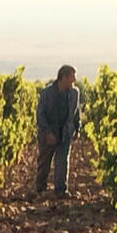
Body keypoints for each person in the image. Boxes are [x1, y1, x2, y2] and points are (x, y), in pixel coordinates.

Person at [34, 65, 81, 198]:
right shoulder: (47, 93)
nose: (74, 80)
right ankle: (40, 188)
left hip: (65, 132)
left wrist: (77, 128)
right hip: (48, 132)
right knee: (44, 161)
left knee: (62, 162)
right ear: (63, 77)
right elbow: (40, 114)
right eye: (72, 77)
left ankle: (61, 190)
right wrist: (47, 132)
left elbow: (76, 112)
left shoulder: (74, 93)